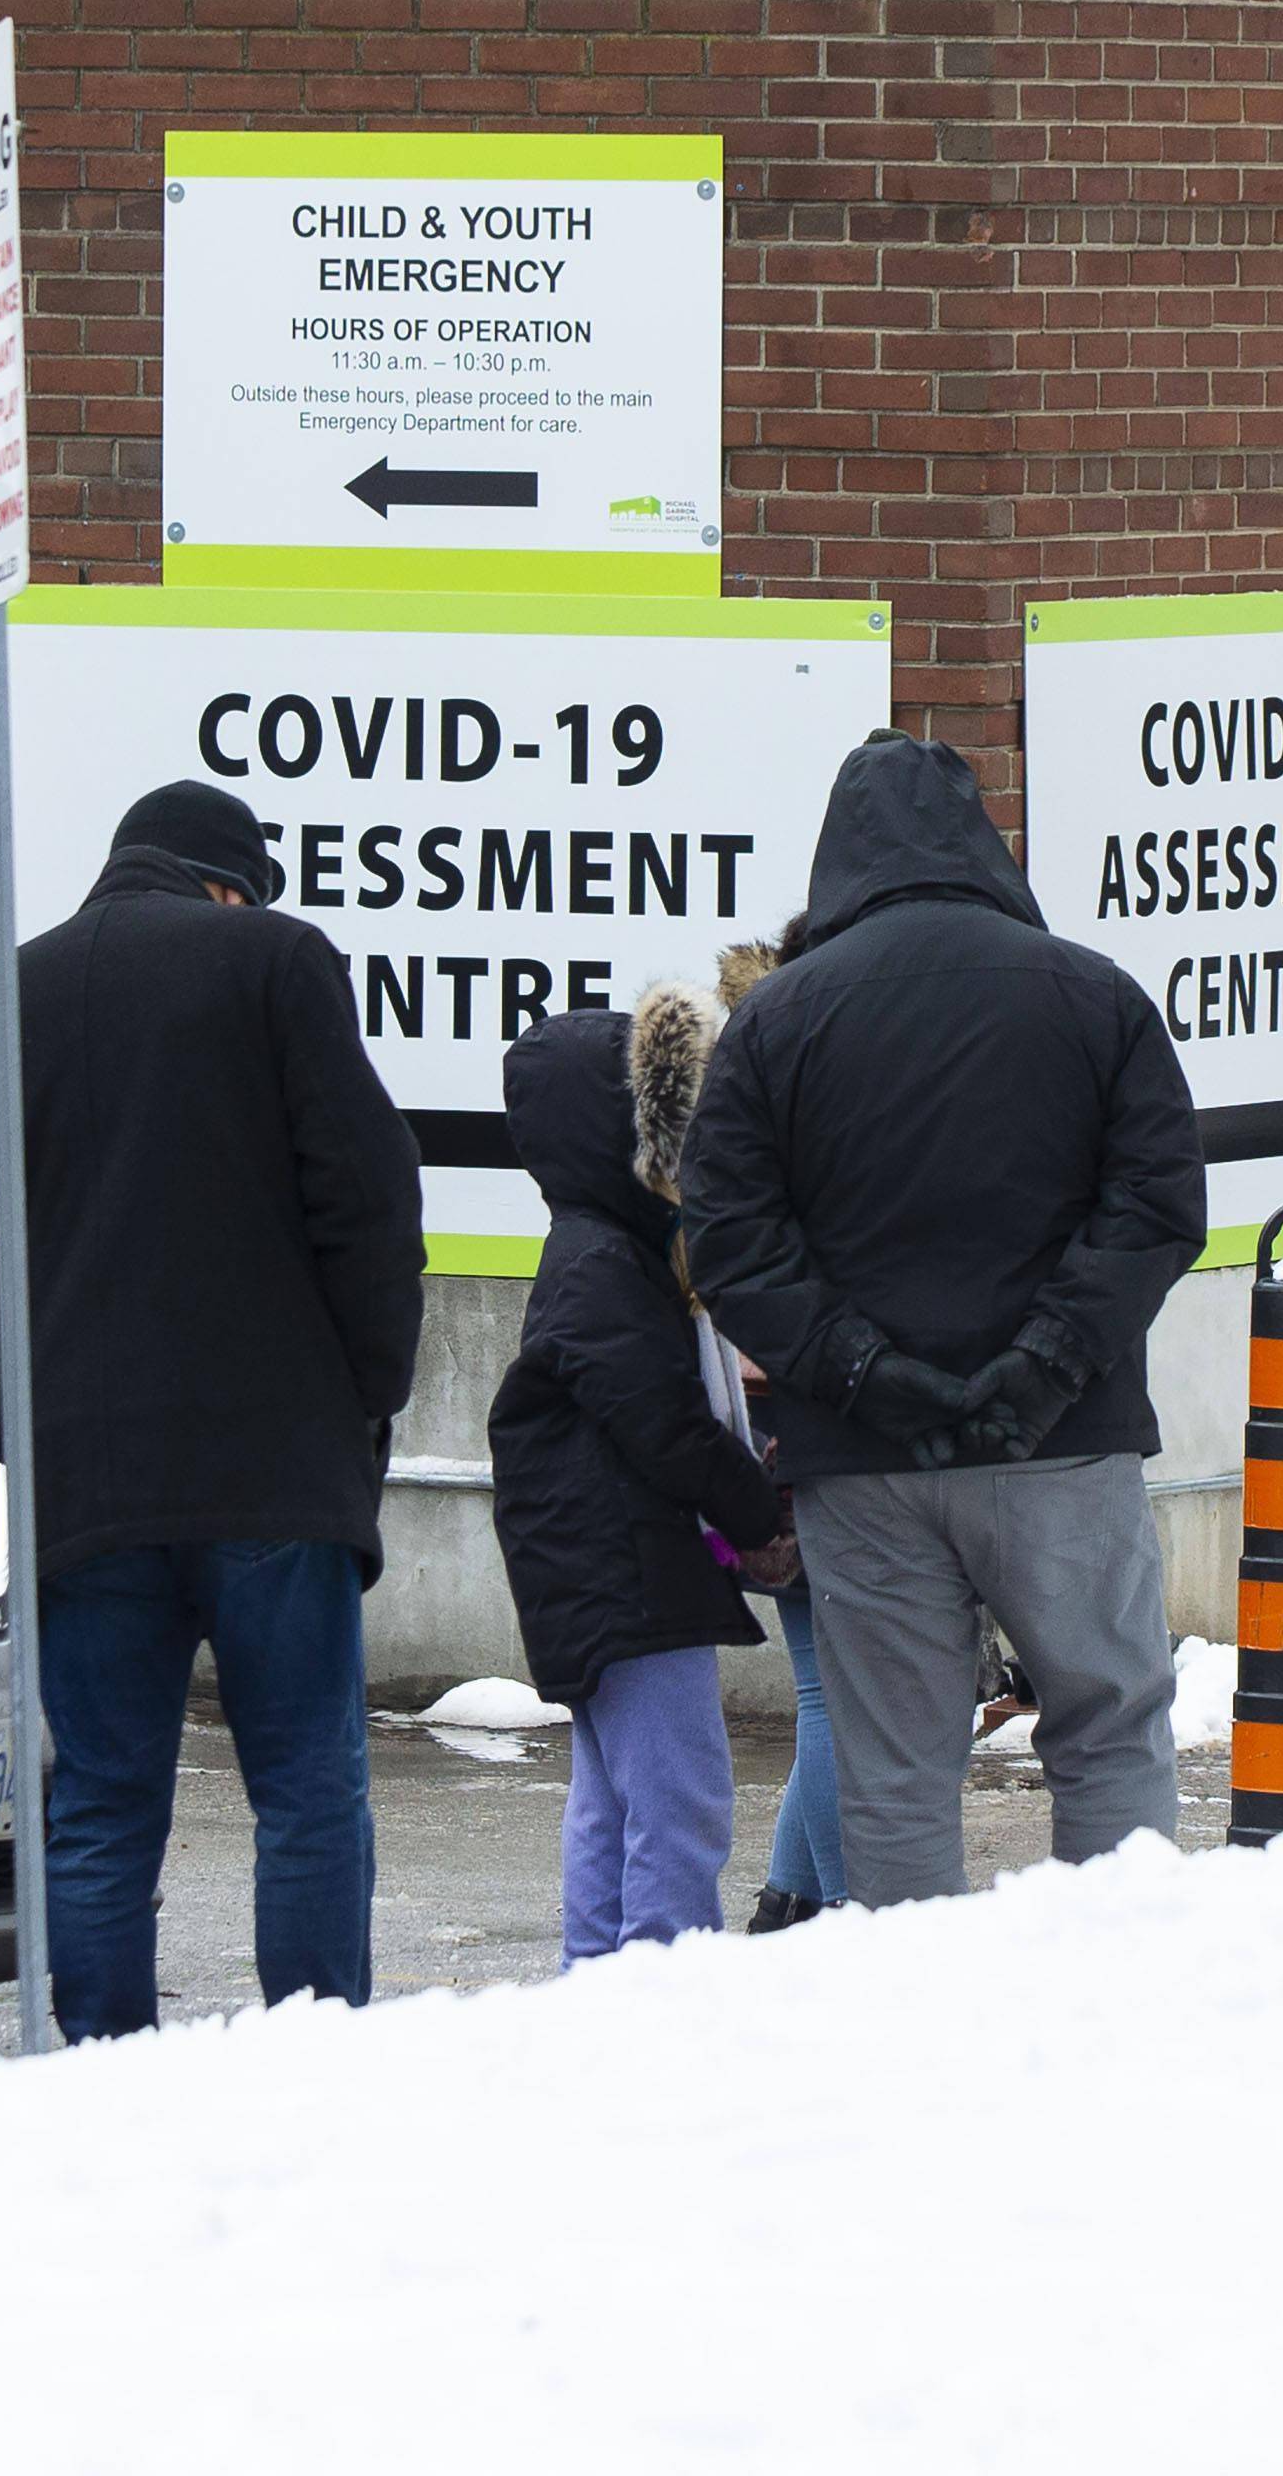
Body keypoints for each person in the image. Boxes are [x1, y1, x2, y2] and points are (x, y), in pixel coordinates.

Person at [0, 780, 423, 2041]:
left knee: (98, 1809)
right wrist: (363, 1393)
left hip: (87, 1487)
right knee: (302, 1793)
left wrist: (26, 1418)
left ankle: (100, 2090)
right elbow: (366, 1198)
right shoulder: (279, 964)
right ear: (230, 885)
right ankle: (304, 2068)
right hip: (276, 1470)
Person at [683, 731, 1203, 1906]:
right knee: (1107, 1730)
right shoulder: (1093, 996)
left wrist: (859, 1366)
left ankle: (919, 2052)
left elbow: (728, 1240)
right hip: (1062, 1446)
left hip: (866, 1467)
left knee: (895, 1773)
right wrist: (1050, 1356)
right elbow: (1161, 1203)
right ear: (984, 845)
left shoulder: (777, 1023)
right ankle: (1111, 2003)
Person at [489, 994, 783, 1960]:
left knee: (613, 1804)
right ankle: (660, 2001)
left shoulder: (595, 1254)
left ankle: (602, 1996)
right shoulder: (603, 1267)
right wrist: (756, 1509)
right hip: (625, 1573)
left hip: (600, 1574)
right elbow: (665, 1426)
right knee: (679, 1801)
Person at [707, 929, 842, 1932]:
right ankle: (839, 1908)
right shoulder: (801, 1113)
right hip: (809, 1421)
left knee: (819, 1690)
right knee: (843, 1694)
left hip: (758, 1429)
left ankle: (789, 1897)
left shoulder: (729, 1110)